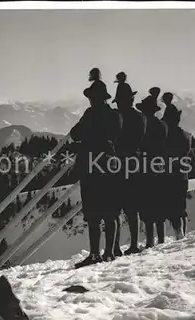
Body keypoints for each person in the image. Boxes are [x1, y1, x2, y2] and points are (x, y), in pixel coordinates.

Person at [71, 74, 120, 268]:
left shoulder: (89, 114)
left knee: (92, 212)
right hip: (109, 163)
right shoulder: (114, 115)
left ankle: (94, 254)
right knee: (110, 210)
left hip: (90, 164)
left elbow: (75, 134)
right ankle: (109, 253)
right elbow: (117, 134)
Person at [111, 89, 147, 256]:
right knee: (133, 208)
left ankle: (116, 246)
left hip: (117, 164)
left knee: (115, 207)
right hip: (133, 164)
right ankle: (133, 244)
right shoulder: (140, 118)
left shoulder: (116, 118)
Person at [136, 92, 168, 249]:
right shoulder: (162, 126)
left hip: (144, 167)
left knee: (147, 204)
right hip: (160, 166)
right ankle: (161, 238)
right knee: (159, 202)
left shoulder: (141, 125)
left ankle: (149, 240)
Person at [161, 92, 191, 240]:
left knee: (172, 206)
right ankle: (183, 234)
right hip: (183, 174)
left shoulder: (166, 136)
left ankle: (178, 233)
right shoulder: (186, 136)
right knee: (181, 205)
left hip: (169, 174)